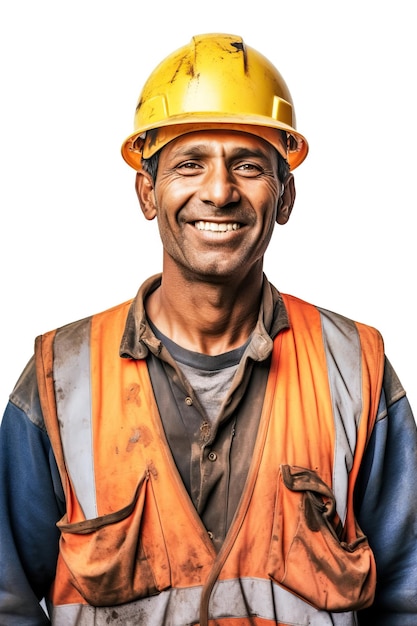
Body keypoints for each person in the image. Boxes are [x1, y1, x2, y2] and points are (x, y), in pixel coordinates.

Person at [0, 32, 416, 626]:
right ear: (147, 191)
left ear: (286, 196)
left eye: (247, 166)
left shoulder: (355, 371)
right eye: (189, 164)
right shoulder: (59, 379)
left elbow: (408, 599)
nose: (218, 192)